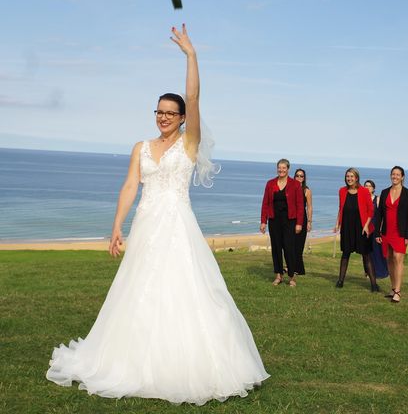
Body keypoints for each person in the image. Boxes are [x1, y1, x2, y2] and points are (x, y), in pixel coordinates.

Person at [46, 25, 269, 404]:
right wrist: (116, 226)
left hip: (178, 228)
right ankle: (131, 360)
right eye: (159, 112)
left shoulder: (190, 142)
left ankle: (187, 364)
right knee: (139, 293)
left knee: (187, 293)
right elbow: (130, 187)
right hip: (147, 228)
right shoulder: (141, 147)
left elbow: (195, 96)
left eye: (171, 113)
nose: (164, 117)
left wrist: (191, 56)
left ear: (183, 118)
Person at [260, 159, 304, 287]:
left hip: (290, 220)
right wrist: (263, 221)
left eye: (284, 168)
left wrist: (299, 223)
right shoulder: (270, 183)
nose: (281, 170)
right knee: (276, 248)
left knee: (289, 248)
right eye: (279, 168)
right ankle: (278, 275)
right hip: (274, 220)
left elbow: (300, 206)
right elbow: (265, 203)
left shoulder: (295, 184)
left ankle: (292, 277)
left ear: (288, 169)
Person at [375, 166, 408, 303]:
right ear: (390, 176)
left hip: (400, 232)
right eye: (393, 174)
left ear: (402, 177)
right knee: (390, 259)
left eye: (398, 174)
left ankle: (398, 291)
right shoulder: (385, 192)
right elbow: (379, 213)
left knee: (398, 259)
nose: (395, 176)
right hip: (386, 231)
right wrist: (377, 233)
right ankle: (392, 288)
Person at [334, 168, 377, 291]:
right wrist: (337, 223)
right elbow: (340, 208)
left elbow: (371, 210)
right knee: (345, 254)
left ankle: (374, 284)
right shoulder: (342, 191)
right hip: (347, 227)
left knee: (366, 256)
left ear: (357, 178)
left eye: (352, 176)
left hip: (362, 227)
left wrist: (366, 225)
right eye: (348, 176)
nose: (349, 178)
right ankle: (340, 281)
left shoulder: (364, 191)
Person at [364, 179, 389, 279]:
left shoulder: (377, 199)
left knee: (377, 251)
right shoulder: (362, 199)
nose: (367, 187)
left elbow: (382, 215)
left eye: (369, 186)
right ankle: (368, 272)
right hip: (365, 228)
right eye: (365, 186)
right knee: (366, 252)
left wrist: (380, 229)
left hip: (375, 228)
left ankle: (381, 272)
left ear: (373, 188)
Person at [293, 168, 312, 278]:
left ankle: (296, 269)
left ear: (304, 178)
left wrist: (309, 221)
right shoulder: (290, 188)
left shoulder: (306, 190)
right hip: (291, 219)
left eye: (301, 176)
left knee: (299, 245)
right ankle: (297, 268)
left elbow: (309, 207)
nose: (299, 178)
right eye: (297, 176)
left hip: (302, 219)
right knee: (291, 244)